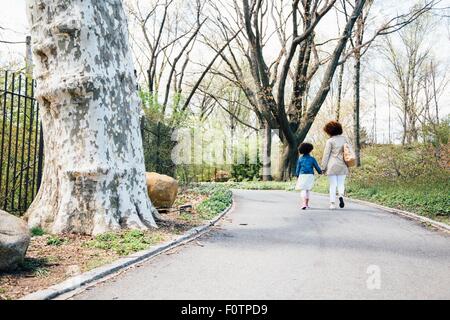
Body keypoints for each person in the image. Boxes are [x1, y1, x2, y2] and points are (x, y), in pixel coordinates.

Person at [321, 121, 351, 210]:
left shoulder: (330, 141)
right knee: (341, 183)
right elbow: (349, 152)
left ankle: (332, 204)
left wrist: (323, 167)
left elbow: (326, 155)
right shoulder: (345, 139)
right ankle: (341, 196)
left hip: (332, 165)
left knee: (333, 185)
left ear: (329, 131)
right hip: (343, 165)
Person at [295, 143, 322, 210]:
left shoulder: (300, 159)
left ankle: (304, 203)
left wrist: (297, 175)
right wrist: (320, 172)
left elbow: (298, 168)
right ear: (310, 150)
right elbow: (317, 167)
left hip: (302, 175)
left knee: (303, 189)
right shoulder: (312, 159)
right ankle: (306, 204)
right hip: (310, 175)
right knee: (307, 189)